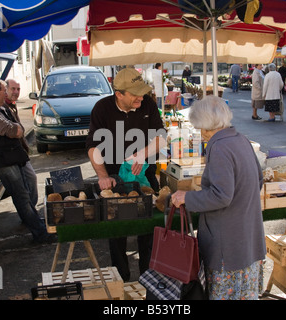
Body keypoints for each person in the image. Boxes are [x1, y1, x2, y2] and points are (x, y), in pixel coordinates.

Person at [171, 95, 266, 300]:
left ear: (205, 126)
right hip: (247, 238)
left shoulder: (219, 146)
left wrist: (187, 198)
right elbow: (258, 180)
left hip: (228, 247)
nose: (199, 132)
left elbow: (221, 196)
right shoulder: (240, 139)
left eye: (199, 127)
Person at [86, 68, 167, 281]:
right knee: (117, 230)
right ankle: (120, 279)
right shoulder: (102, 108)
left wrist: (142, 154)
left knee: (148, 227)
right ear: (119, 94)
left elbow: (161, 138)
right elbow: (93, 146)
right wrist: (103, 175)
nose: (141, 96)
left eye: (142, 91)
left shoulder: (147, 104)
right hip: (114, 177)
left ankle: (148, 279)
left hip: (145, 175)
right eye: (134, 93)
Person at [0, 79, 52, 243]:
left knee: (25, 193)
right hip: (3, 163)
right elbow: (13, 130)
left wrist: (17, 130)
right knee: (22, 196)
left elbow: (17, 129)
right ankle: (40, 233)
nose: (6, 94)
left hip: (10, 159)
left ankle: (37, 225)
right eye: (4, 91)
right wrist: (17, 130)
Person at [4, 79, 38, 206]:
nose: (16, 92)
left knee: (29, 181)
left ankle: (31, 209)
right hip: (13, 154)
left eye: (18, 89)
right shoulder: (3, 107)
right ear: (5, 90)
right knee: (27, 182)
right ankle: (30, 211)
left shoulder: (12, 105)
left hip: (20, 152)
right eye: (13, 89)